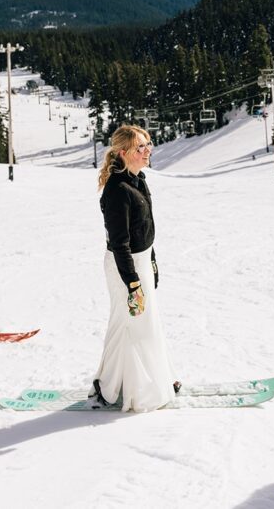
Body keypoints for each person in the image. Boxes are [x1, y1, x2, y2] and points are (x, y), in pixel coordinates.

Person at [91, 124, 177, 412]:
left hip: (139, 262)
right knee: (133, 325)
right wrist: (133, 283)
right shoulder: (118, 190)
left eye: (148, 144)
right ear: (123, 152)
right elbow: (119, 244)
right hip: (124, 267)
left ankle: (126, 381)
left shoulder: (138, 180)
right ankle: (125, 388)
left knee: (139, 324)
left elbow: (144, 229)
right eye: (140, 147)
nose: (147, 150)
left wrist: (151, 262)